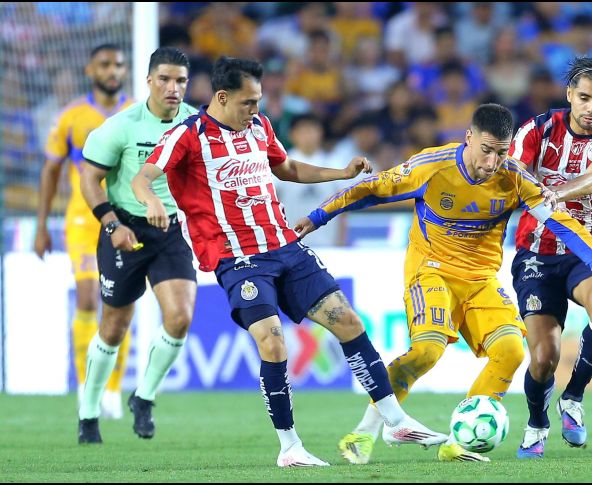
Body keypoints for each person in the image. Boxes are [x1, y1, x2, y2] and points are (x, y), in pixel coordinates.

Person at [130, 56, 448, 468]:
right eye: (248, 102)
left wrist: (341, 173)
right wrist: (152, 201)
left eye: (258, 101)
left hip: (285, 246)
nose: (255, 109)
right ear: (222, 97)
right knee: (273, 340)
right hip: (238, 257)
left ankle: (395, 421)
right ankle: (290, 446)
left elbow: (288, 167)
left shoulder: (259, 127)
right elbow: (142, 178)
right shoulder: (188, 136)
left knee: (349, 321)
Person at [294, 103, 592, 464]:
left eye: (501, 153)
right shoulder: (432, 166)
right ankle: (365, 431)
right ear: (469, 137)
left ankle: (460, 440)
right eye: (486, 150)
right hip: (431, 270)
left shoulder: (514, 177)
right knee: (427, 350)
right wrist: (317, 218)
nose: (492, 162)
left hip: (481, 279)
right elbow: (371, 189)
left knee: (511, 351)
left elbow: (560, 221)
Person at [507, 57, 592, 458]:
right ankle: (537, 423)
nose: (591, 108)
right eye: (584, 98)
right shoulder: (537, 129)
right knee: (543, 358)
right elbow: (512, 174)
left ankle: (574, 396)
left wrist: (554, 194)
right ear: (569, 94)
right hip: (537, 252)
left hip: (590, 251)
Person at [77, 47, 199, 444]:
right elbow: (88, 179)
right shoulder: (121, 126)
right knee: (114, 327)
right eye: (164, 79)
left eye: (180, 80)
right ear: (148, 80)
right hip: (124, 229)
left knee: (180, 317)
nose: (173, 88)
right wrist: (112, 224)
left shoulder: (196, 125)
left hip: (170, 230)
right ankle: (88, 412)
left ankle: (144, 397)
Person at [35, 44, 134, 420]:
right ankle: (85, 384)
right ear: (90, 70)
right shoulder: (70, 116)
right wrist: (42, 225)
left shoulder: (138, 113)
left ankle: (112, 389)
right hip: (82, 219)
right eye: (105, 65)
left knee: (120, 304)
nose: (112, 71)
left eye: (118, 65)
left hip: (127, 219)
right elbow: (50, 170)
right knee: (89, 298)